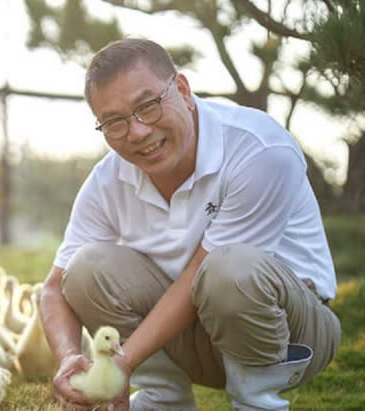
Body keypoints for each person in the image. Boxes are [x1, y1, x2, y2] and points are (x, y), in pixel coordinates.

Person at [41, 38, 340, 411]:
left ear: (182, 89)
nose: (137, 132)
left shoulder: (260, 149)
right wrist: (68, 355)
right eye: (114, 122)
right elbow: (54, 288)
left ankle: (257, 403)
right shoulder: (107, 181)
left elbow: (205, 271)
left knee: (229, 268)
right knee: (85, 270)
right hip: (192, 337)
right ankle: (162, 400)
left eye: (147, 106)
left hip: (291, 335)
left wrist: (122, 360)